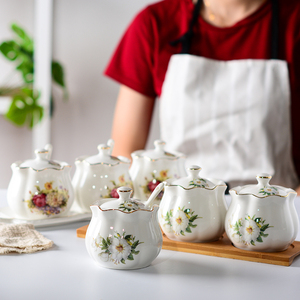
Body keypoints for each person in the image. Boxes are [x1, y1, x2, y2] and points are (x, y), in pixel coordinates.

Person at [104, 0, 300, 193]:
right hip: (180, 212)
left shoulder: (294, 20)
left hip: (278, 212)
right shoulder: (154, 23)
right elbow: (125, 157)